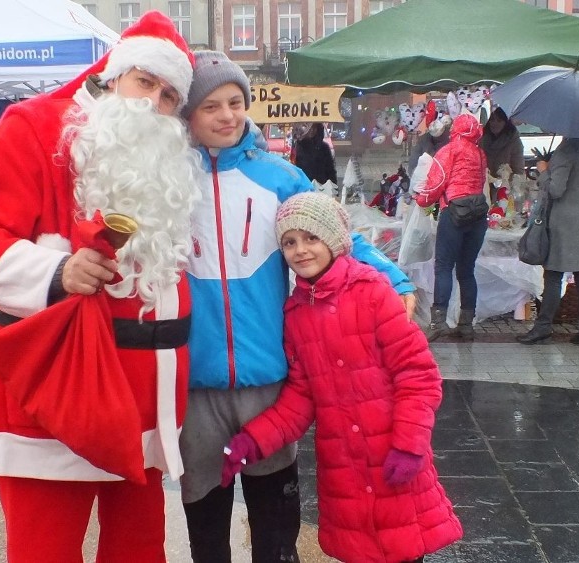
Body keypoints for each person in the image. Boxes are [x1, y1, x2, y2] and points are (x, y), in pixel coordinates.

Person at [0, 12, 200, 562]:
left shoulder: (171, 162)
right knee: (45, 551)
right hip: (53, 404)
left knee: (139, 553)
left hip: (143, 410)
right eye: (145, 82)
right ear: (115, 75)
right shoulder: (34, 128)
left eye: (169, 95)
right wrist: (54, 274)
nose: (153, 104)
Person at [178, 50, 417, 563]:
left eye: (236, 102)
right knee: (203, 507)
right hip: (194, 383)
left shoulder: (278, 177)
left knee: (274, 515)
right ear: (187, 114)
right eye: (211, 105)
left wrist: (393, 277)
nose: (226, 115)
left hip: (268, 374)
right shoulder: (170, 184)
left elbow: (336, 234)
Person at [221, 192, 463, 563]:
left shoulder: (372, 293)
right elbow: (301, 396)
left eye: (311, 238)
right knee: (360, 550)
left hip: (390, 455)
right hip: (344, 468)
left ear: (333, 239)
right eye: (290, 242)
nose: (300, 250)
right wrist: (254, 440)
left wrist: (410, 443)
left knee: (402, 547)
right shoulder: (297, 314)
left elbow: (418, 374)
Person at [517, 137, 579, 348]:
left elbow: (556, 189)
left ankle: (543, 326)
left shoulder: (567, 149)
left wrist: (544, 170)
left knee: (554, 274)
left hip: (565, 220)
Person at [415, 112, 488, 342]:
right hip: (477, 215)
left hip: (454, 213)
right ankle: (466, 325)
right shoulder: (479, 153)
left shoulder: (449, 150)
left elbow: (437, 182)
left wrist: (422, 201)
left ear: (455, 129)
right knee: (467, 270)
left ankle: (438, 323)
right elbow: (482, 182)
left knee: (444, 267)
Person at [479, 107, 525, 203]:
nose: (494, 123)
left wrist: (507, 183)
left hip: (505, 190)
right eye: (492, 120)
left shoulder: (514, 141)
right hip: (484, 187)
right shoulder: (483, 139)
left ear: (505, 123)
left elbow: (518, 169)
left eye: (499, 121)